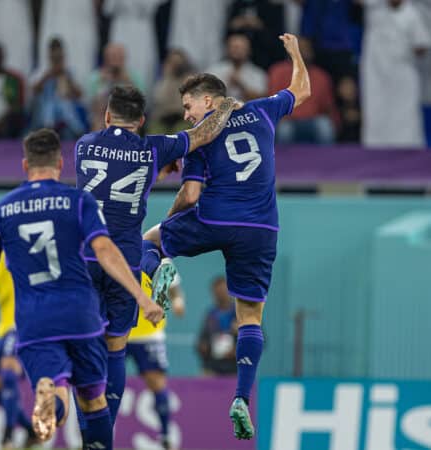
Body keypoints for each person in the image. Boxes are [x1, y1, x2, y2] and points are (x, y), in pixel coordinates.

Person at [141, 34, 311, 440]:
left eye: (188, 106)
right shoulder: (264, 111)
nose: (186, 115)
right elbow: (301, 90)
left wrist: (170, 224)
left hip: (216, 217)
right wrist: (295, 54)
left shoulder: (202, 136)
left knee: (149, 239)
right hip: (262, 229)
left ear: (210, 101)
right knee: (250, 317)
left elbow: (192, 194)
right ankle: (240, 397)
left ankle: (162, 265)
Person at [0, 129, 164, 448]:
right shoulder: (79, 201)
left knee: (58, 390)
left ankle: (51, 399)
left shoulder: (2, 211)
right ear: (60, 162)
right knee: (93, 401)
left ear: (25, 164)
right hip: (81, 314)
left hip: (34, 319)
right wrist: (141, 296)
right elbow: (105, 250)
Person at [75, 84, 239, 431]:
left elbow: (110, 177)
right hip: (126, 263)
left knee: (87, 349)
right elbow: (203, 134)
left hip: (86, 260)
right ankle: (107, 431)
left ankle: (85, 430)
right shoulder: (153, 149)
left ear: (107, 116)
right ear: (143, 120)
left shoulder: (84, 146)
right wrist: (224, 107)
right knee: (117, 349)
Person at [0, 210, 38, 449]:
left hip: (22, 324)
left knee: (9, 375)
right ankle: (30, 429)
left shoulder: (15, 249)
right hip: (4, 328)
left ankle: (8, 437)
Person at [126, 256, 185, 450]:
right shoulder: (115, 250)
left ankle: (166, 434)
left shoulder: (159, 257)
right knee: (105, 381)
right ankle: (96, 433)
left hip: (150, 333)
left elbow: (175, 290)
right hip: (119, 331)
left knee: (156, 382)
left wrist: (177, 302)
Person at [361, 0, 431, 148]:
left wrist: (404, 52)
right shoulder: (375, 11)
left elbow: (422, 44)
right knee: (376, 109)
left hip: (403, 73)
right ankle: (375, 148)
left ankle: (408, 149)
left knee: (405, 113)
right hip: (377, 73)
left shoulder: (412, 13)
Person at [268, 37, 337, 144]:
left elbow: (328, 106)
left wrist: (335, 121)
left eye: (306, 49)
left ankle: (326, 160)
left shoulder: (321, 76)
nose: (303, 52)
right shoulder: (278, 71)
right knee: (284, 130)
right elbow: (273, 101)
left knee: (325, 126)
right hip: (288, 121)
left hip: (313, 120)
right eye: (299, 49)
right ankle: (284, 160)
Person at [30, 38, 87, 139]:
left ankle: (77, 133)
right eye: (54, 57)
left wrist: (68, 78)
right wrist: (47, 76)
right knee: (49, 107)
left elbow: (80, 95)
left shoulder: (70, 72)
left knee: (65, 106)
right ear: (49, 55)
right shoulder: (41, 71)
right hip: (45, 116)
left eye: (59, 57)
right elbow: (33, 93)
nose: (56, 60)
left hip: (66, 119)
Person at [196, 276, 238, 376]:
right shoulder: (210, 315)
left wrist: (238, 351)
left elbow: (260, 340)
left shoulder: (241, 313)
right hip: (212, 367)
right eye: (217, 292)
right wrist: (203, 347)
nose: (221, 294)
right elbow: (202, 339)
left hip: (236, 369)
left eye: (223, 290)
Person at [207, 33, 267, 102]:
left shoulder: (257, 74)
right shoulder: (214, 70)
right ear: (227, 49)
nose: (237, 51)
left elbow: (262, 99)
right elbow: (206, 95)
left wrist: (241, 86)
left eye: (241, 48)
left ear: (249, 50)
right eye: (234, 47)